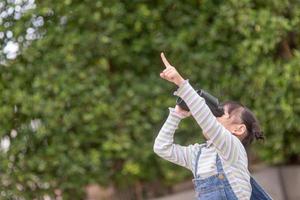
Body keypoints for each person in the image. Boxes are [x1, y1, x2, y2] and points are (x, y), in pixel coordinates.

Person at [153, 52, 272, 200]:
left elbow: (208, 123)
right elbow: (162, 147)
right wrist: (176, 115)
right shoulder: (197, 154)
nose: (214, 116)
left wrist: (182, 85)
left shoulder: (232, 148)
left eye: (221, 114)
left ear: (238, 129)